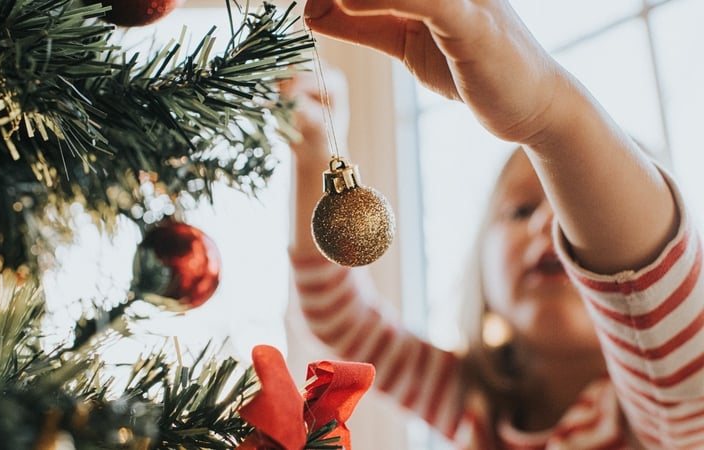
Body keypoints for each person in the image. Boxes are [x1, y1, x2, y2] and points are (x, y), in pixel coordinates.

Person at [282, 0, 704, 448]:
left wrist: (548, 116)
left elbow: (655, 307)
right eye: (520, 210)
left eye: (576, 217)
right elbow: (339, 316)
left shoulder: (661, 412)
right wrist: (316, 157)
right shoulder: (472, 402)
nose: (547, 222)